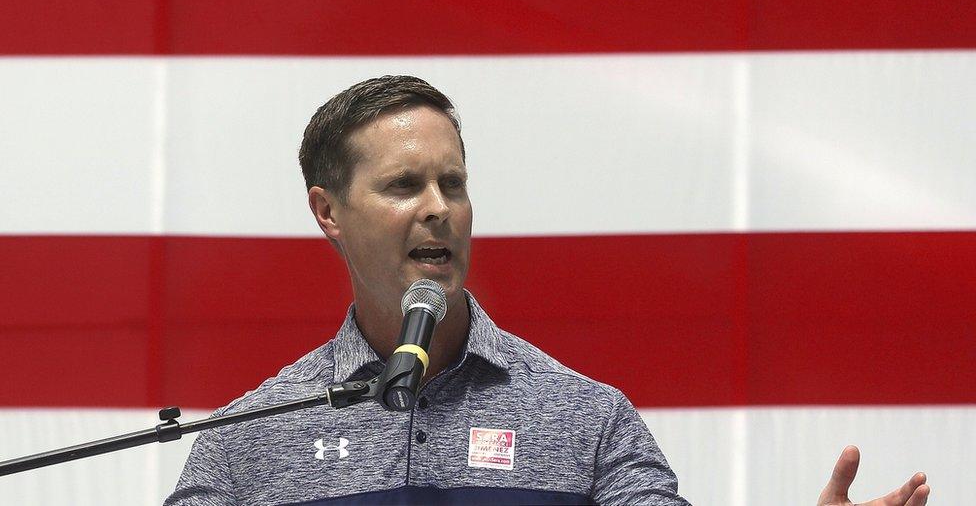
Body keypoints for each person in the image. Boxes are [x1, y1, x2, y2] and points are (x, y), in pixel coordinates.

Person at [166, 76, 929, 505]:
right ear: (327, 211)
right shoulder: (247, 443)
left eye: (452, 182)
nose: (438, 206)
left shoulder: (587, 422)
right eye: (404, 184)